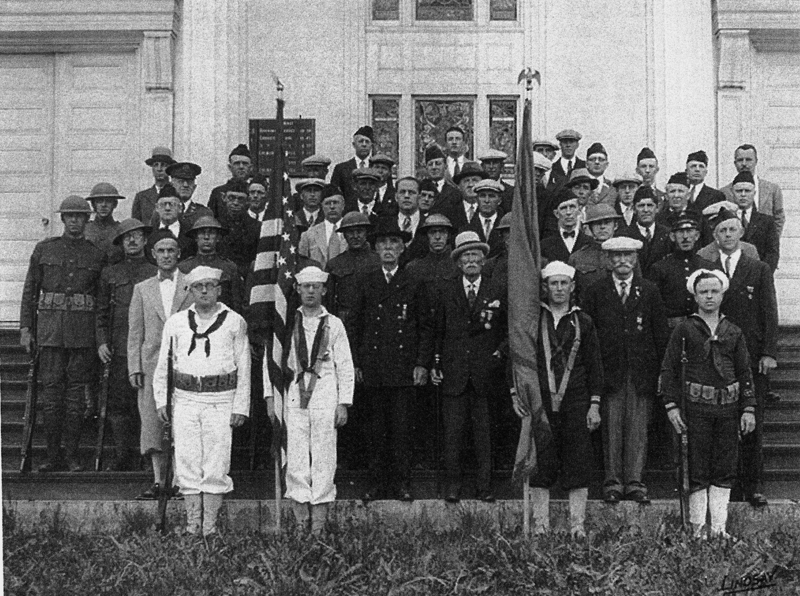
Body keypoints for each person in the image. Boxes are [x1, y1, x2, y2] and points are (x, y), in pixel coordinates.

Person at [153, 266, 250, 536]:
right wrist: (162, 400)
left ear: (219, 289)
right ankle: (193, 523)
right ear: (190, 290)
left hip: (221, 400)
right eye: (198, 286)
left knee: (216, 461)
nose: (204, 290)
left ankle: (210, 526)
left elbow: (244, 366)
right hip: (184, 399)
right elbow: (164, 366)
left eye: (210, 285)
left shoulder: (234, 322)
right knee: (187, 460)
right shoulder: (176, 322)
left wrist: (241, 405)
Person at [660, 269, 756, 538]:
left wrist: (748, 408)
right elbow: (669, 369)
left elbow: (745, 371)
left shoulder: (733, 332)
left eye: (714, 291)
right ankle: (698, 529)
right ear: (695, 295)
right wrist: (671, 406)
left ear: (723, 294)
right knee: (697, 468)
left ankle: (719, 529)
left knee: (724, 467)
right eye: (704, 292)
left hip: (727, 410)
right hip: (695, 410)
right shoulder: (684, 329)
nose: (709, 296)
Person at [19, 195, 107, 472]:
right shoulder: (45, 249)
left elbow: (101, 300)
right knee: (51, 396)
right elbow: (30, 292)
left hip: (82, 336)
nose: (74, 221)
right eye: (70, 216)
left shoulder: (95, 254)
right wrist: (25, 328)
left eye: (80, 216)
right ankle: (52, 455)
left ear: (87, 219)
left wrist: (99, 337)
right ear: (62, 219)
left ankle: (71, 455)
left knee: (75, 398)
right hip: (50, 333)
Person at [348, 219, 430, 502]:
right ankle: (375, 484)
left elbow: (424, 326)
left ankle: (402, 484)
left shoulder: (413, 282)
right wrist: (356, 363)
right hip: (373, 367)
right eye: (382, 243)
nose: (388, 248)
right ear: (375, 248)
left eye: (394, 243)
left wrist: (421, 362)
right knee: (375, 430)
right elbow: (354, 325)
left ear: (402, 248)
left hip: (403, 367)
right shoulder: (366, 281)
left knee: (402, 429)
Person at [582, 236, 669, 503]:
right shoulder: (596, 291)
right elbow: (588, 334)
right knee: (612, 426)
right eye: (616, 256)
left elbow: (660, 334)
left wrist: (663, 372)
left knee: (638, 427)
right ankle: (613, 482)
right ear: (608, 261)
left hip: (642, 370)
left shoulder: (649, 290)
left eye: (627, 255)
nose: (622, 261)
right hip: (609, 371)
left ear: (635, 259)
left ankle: (635, 481)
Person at [523, 261, 602, 538]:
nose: (559, 289)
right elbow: (521, 360)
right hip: (541, 400)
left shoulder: (583, 321)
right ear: (545, 287)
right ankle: (541, 525)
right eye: (553, 284)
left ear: (572, 287)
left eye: (563, 284)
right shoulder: (535, 319)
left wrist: (594, 404)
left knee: (578, 460)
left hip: (576, 400)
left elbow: (594, 365)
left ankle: (577, 526)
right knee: (542, 460)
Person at [706, 207, 778, 507]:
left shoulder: (758, 268)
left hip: (751, 356)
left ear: (741, 233)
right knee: (723, 422)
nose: (727, 235)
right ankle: (728, 485)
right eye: (722, 231)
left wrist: (769, 353)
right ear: (715, 236)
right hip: (718, 357)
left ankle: (754, 485)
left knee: (752, 422)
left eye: (732, 230)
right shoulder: (707, 268)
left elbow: (769, 312)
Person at [429, 231, 505, 503]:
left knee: (484, 434)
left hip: (486, 373)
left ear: (484, 260)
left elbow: (507, 329)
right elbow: (437, 330)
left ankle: (484, 486)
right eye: (465, 256)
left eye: (475, 255)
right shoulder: (446, 289)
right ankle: (453, 486)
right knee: (453, 434)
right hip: (454, 372)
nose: (471, 260)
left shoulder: (497, 289)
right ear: (458, 262)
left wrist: (499, 353)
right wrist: (436, 361)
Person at [278, 266, 354, 534]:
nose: (310, 291)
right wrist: (271, 397)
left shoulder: (334, 324)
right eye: (305, 286)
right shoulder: (287, 323)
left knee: (323, 456)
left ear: (324, 289)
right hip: (295, 396)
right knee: (297, 456)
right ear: (297, 289)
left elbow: (344, 365)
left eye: (315, 287)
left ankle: (319, 525)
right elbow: (274, 363)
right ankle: (301, 522)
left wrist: (343, 402)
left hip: (325, 395)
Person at [127, 230, 193, 499]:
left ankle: (179, 480)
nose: (166, 255)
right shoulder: (142, 289)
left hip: (186, 363)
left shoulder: (192, 284)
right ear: (153, 255)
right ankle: (158, 481)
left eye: (171, 250)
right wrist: (135, 367)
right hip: (152, 365)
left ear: (179, 254)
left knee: (182, 421)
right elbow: (135, 332)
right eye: (161, 251)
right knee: (153, 422)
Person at [96, 218, 157, 471]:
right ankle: (123, 456)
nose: (132, 240)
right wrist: (101, 342)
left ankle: (148, 456)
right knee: (119, 407)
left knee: (148, 405)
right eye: (126, 237)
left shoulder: (156, 272)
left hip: (150, 350)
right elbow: (100, 312)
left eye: (137, 236)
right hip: (119, 349)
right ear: (121, 243)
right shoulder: (110, 274)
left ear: (145, 240)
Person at [647, 212, 714, 329]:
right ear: (672, 237)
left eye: (689, 231)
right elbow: (655, 307)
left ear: (697, 235)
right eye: (680, 232)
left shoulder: (708, 267)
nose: (685, 237)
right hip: (671, 330)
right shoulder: (660, 268)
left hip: (702, 329)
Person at [179, 216, 245, 314]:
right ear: (196, 237)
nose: (206, 237)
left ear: (218, 238)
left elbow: (236, 304)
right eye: (202, 233)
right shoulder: (184, 267)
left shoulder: (229, 267)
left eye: (211, 233)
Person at [721, 144, 785, 237]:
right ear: (735, 163)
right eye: (740, 160)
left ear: (756, 161)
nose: (744, 164)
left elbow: (779, 217)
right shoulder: (724, 192)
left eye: (748, 160)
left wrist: (772, 240)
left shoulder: (772, 189)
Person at [568, 204, 621, 302]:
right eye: (597, 223)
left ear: (616, 225)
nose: (602, 227)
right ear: (590, 227)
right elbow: (572, 293)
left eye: (607, 222)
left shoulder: (625, 254)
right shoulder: (577, 257)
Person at [728, 170, 779, 272]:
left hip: (757, 276)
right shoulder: (725, 220)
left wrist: (763, 275)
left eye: (747, 191)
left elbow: (772, 253)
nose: (743, 195)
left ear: (754, 193)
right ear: (732, 193)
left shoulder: (767, 221)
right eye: (739, 191)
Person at [619, 186, 671, 277]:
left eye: (650, 205)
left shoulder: (667, 234)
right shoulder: (624, 236)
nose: (646, 210)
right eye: (641, 206)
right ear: (634, 209)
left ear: (657, 208)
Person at [216, 179, 261, 281]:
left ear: (248, 201)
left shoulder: (257, 227)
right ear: (224, 198)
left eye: (240, 199)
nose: (235, 203)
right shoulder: (215, 225)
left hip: (246, 280)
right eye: (231, 198)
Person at [298, 189, 346, 269]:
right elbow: (302, 263)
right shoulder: (309, 234)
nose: (332, 207)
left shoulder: (351, 231)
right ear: (322, 207)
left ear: (343, 205)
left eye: (335, 202)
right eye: (327, 203)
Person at [540, 193, 593, 264]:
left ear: (579, 211)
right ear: (556, 214)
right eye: (563, 208)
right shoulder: (545, 245)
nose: (568, 212)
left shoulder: (591, 242)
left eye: (572, 207)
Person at [208, 144, 253, 220]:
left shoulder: (254, 192)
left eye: (245, 164)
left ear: (251, 168)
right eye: (237, 163)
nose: (241, 167)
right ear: (230, 167)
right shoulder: (217, 192)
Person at [133, 146, 175, 225]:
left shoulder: (176, 194)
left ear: (170, 168)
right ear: (152, 168)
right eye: (156, 165)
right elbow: (136, 226)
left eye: (163, 165)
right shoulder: (141, 197)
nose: (159, 169)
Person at [84, 182, 125, 264]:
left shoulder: (121, 230)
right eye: (99, 201)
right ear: (93, 204)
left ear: (115, 204)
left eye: (108, 201)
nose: (104, 205)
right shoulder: (84, 229)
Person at [331, 125, 374, 201]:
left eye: (367, 142)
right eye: (361, 141)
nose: (364, 144)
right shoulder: (341, 169)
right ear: (354, 145)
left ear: (371, 145)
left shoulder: (376, 167)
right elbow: (334, 195)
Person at [163, 161, 211, 228]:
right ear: (171, 185)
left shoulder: (204, 213)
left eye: (189, 182)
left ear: (194, 187)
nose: (185, 185)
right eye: (180, 181)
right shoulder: (163, 211)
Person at [446, 161, 489, 232]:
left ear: (483, 184)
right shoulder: (450, 211)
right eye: (466, 181)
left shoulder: (491, 210)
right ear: (459, 186)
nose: (471, 184)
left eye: (475, 180)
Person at [468, 179, 506, 257]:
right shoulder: (467, 226)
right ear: (476, 199)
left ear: (499, 200)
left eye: (491, 196)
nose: (487, 200)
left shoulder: (506, 226)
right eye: (482, 196)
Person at [423, 144, 461, 213]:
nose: (434, 167)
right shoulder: (420, 189)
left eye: (438, 164)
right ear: (426, 168)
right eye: (430, 164)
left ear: (445, 166)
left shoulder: (455, 193)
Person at [547, 129, 585, 194]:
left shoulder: (584, 166)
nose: (568, 145)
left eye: (571, 142)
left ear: (577, 145)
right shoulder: (552, 167)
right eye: (565, 142)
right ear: (560, 144)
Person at [478, 148, 514, 213]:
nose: (491, 167)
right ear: (482, 167)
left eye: (495, 163)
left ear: (502, 167)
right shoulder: (476, 190)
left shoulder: (511, 192)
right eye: (488, 163)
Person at [584, 142, 617, 207]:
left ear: (606, 164)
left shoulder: (613, 187)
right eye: (593, 159)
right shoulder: (581, 186)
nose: (597, 162)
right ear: (586, 164)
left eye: (601, 159)